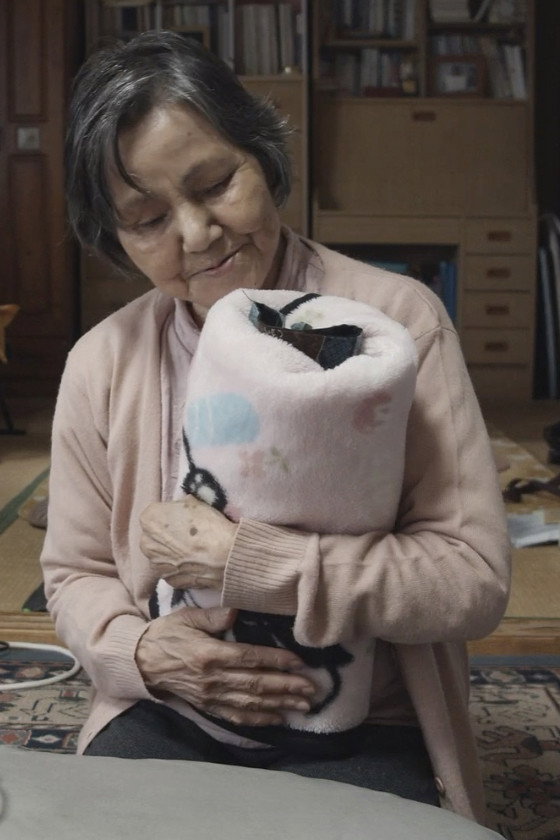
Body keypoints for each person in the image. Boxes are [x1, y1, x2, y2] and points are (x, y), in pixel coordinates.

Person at [40, 31, 510, 825]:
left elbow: (471, 581)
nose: (198, 234)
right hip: (171, 710)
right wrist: (142, 651)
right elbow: (74, 573)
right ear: (114, 238)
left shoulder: (395, 326)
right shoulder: (102, 363)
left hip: (365, 724)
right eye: (148, 219)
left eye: (217, 183)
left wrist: (250, 563)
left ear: (263, 155)